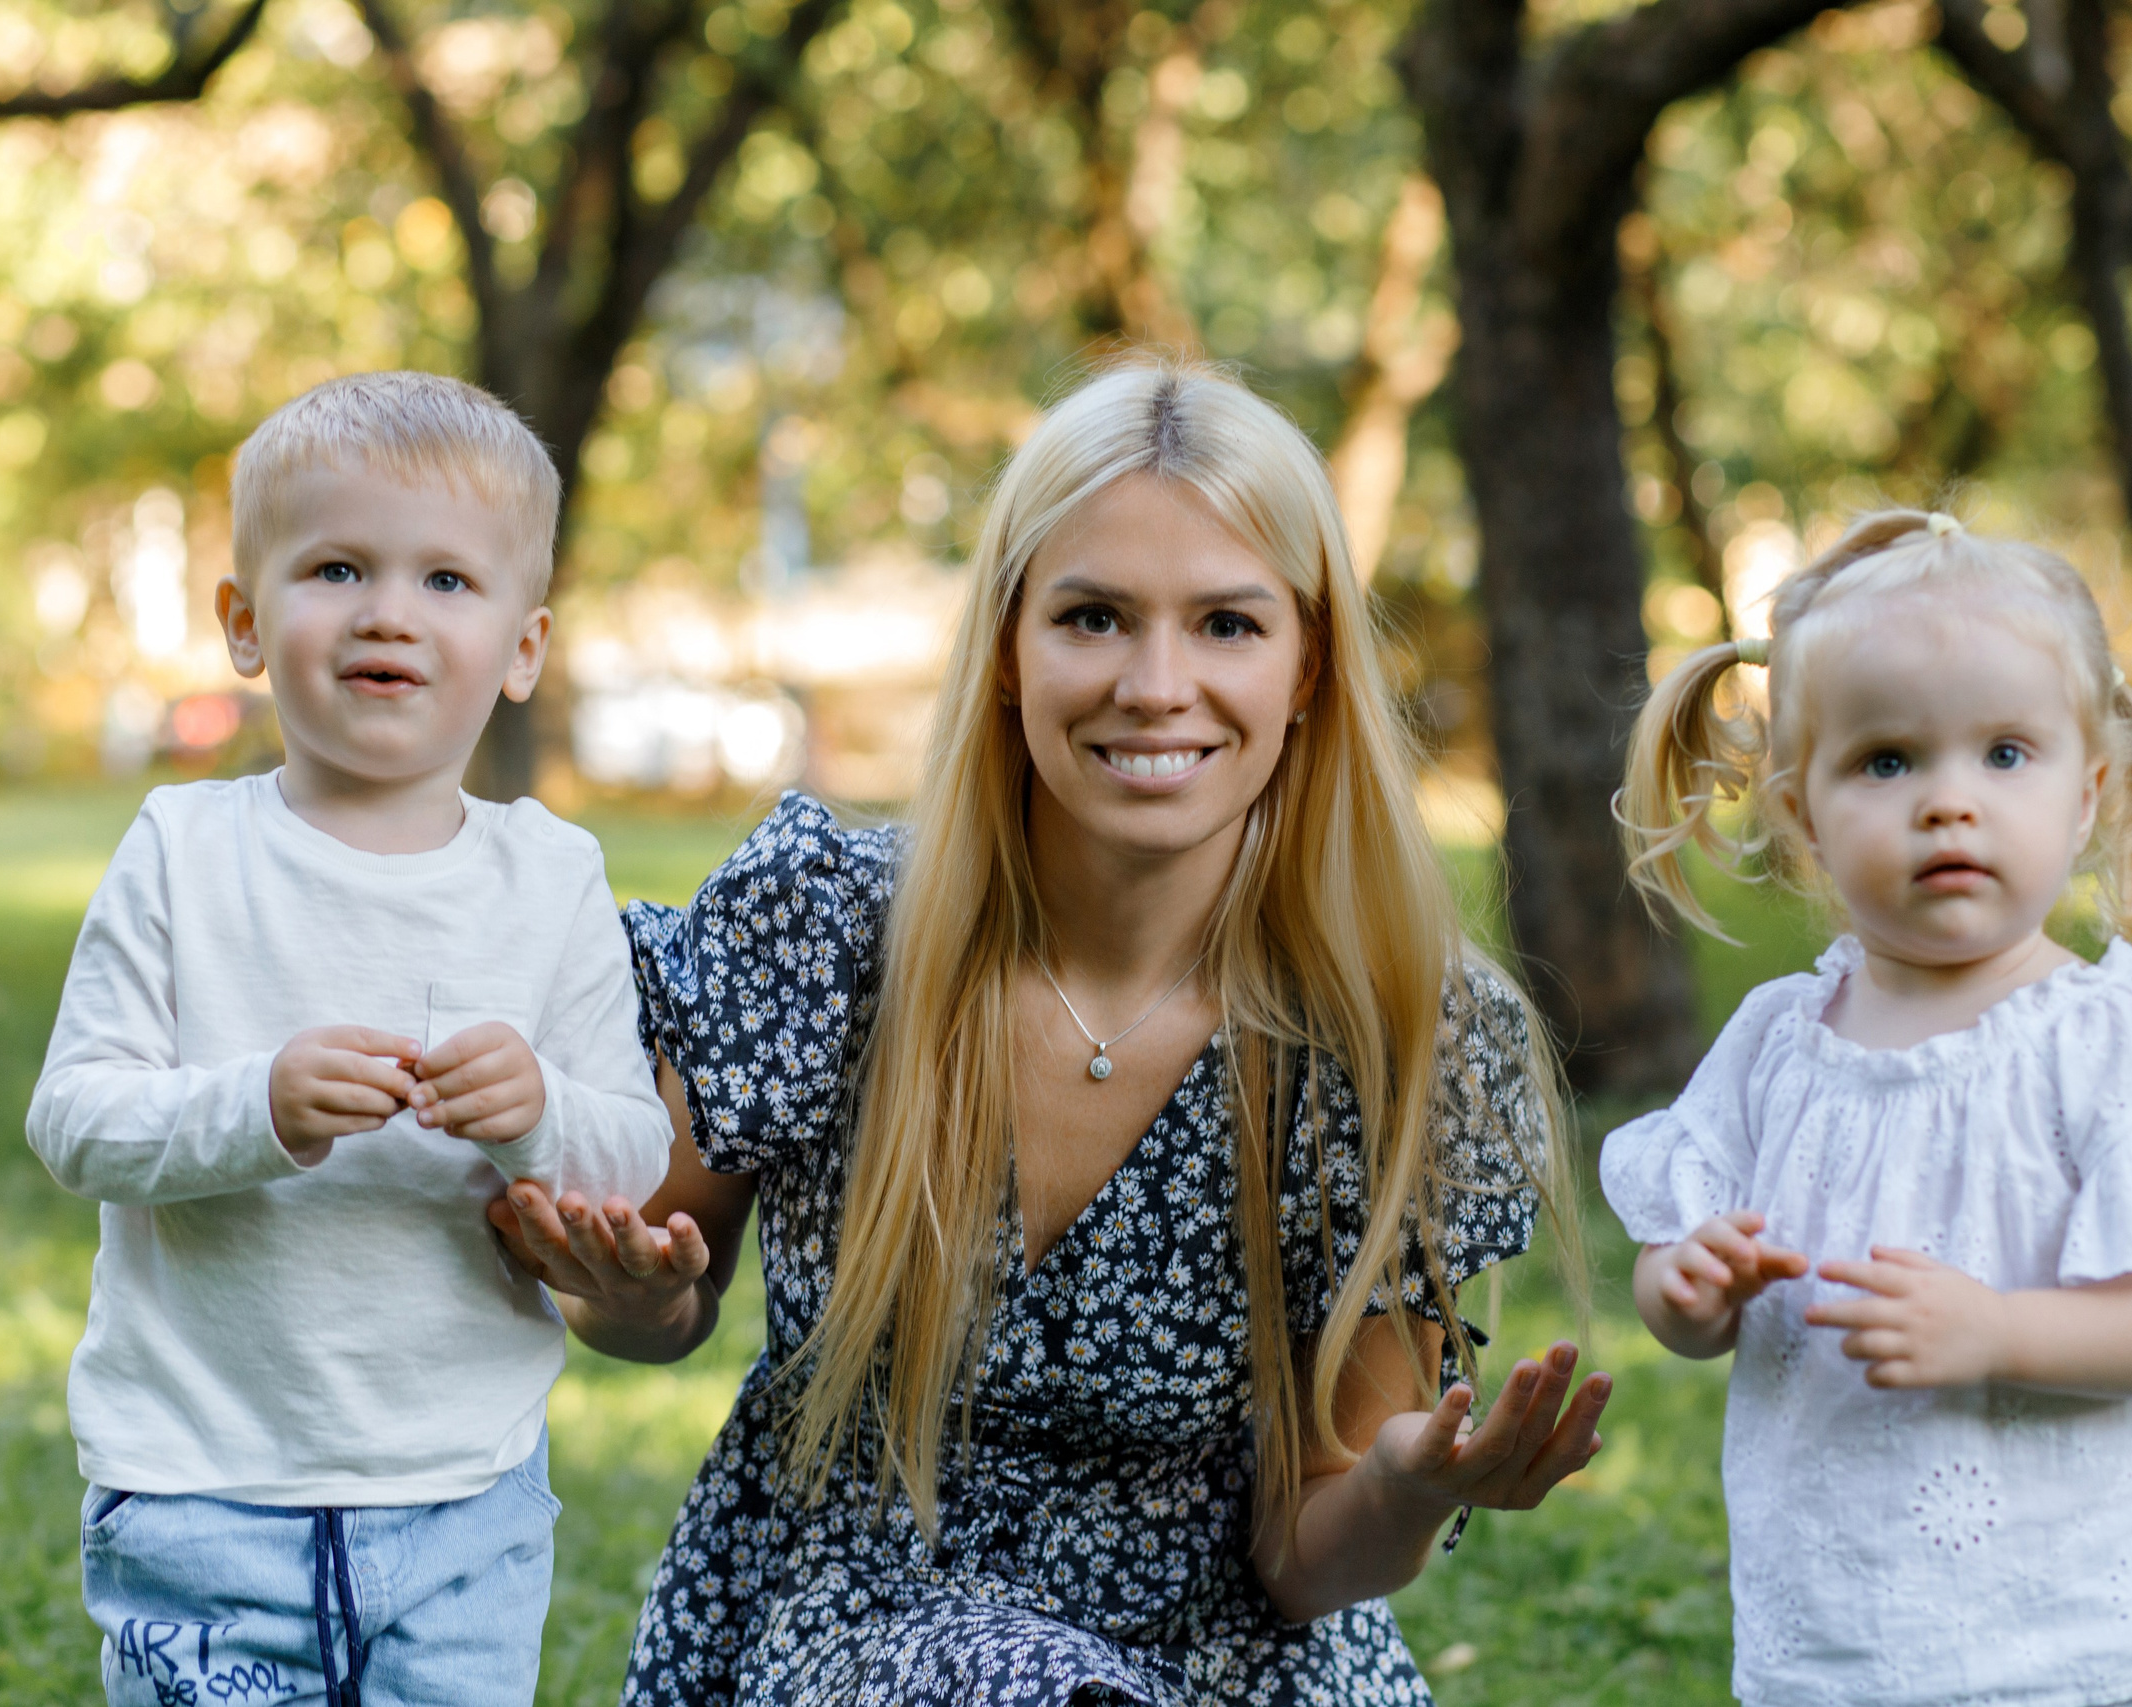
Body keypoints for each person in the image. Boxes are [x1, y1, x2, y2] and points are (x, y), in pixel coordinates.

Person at [492, 360, 1613, 1706]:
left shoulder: (1400, 1033)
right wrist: (623, 1290)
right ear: (1009, 647)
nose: (1156, 683)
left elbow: (1305, 1555)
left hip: (1221, 1651)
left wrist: (1400, 1483)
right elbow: (658, 1294)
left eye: (1226, 624)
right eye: (1094, 616)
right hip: (869, 1619)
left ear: (1307, 662)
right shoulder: (833, 925)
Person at [1600, 510, 2132, 1706]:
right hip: (1838, 1619)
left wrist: (2001, 1337)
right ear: (1800, 813)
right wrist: (1689, 1284)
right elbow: (1675, 1301)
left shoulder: (2121, 1046)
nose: (1949, 803)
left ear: (2089, 791)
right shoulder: (1773, 1049)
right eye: (1886, 761)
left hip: (2070, 1628)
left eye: (2005, 755)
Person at [27, 372, 670, 1707]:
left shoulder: (550, 878)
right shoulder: (184, 851)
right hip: (202, 1478)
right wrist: (256, 1102)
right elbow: (76, 1116)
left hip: (462, 1498)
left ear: (525, 648)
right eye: (336, 566)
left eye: (447, 579)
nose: (389, 609)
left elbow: (635, 1152)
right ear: (247, 623)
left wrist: (538, 1106)